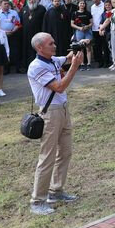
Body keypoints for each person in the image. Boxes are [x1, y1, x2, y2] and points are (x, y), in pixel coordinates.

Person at [28, 32, 85, 215]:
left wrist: (78, 48)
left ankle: (56, 191)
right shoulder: (37, 66)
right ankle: (38, 200)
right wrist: (74, 67)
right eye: (50, 44)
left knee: (65, 152)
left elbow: (65, 58)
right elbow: (59, 87)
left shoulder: (51, 60)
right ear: (40, 48)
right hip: (51, 113)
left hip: (63, 109)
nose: (55, 46)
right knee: (47, 157)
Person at [71, 0, 94, 69]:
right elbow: (72, 24)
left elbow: (91, 23)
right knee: (80, 48)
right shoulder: (74, 13)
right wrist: (79, 28)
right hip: (79, 31)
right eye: (81, 3)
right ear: (78, 4)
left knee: (88, 47)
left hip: (87, 31)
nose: (82, 5)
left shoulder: (88, 13)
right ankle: (82, 63)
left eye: (83, 3)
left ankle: (89, 63)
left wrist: (88, 26)